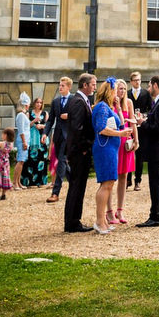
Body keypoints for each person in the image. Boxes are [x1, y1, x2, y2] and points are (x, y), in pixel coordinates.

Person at [92, 79, 132, 234]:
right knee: (106, 184)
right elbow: (101, 129)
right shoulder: (102, 107)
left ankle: (102, 221)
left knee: (109, 183)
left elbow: (120, 125)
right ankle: (99, 221)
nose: (117, 94)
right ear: (109, 91)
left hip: (110, 148)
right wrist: (120, 134)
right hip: (105, 148)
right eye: (115, 90)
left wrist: (118, 110)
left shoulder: (108, 107)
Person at [135, 75, 159, 227]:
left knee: (156, 184)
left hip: (157, 150)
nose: (148, 89)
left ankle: (156, 216)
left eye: (149, 86)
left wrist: (142, 123)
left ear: (155, 86)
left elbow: (157, 130)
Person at [64, 72, 97, 232]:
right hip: (79, 152)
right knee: (76, 186)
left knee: (78, 186)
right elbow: (77, 129)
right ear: (85, 85)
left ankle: (74, 220)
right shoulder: (78, 101)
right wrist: (85, 147)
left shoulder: (81, 100)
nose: (94, 87)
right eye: (93, 84)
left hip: (80, 151)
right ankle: (72, 222)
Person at [113, 78, 138, 225]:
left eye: (123, 88)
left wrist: (136, 140)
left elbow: (132, 122)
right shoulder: (111, 103)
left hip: (127, 142)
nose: (121, 91)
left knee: (124, 176)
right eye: (119, 88)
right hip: (115, 140)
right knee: (111, 178)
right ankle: (109, 210)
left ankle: (120, 209)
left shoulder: (128, 102)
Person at [44, 76, 73, 204]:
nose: (60, 87)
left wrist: (69, 116)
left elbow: (81, 116)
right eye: (59, 85)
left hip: (70, 137)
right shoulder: (55, 101)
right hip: (58, 136)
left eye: (62, 85)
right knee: (63, 163)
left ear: (69, 87)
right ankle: (75, 184)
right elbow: (50, 120)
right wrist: (45, 133)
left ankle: (55, 192)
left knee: (61, 160)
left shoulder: (74, 100)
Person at [127, 72, 152, 191]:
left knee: (140, 155)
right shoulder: (127, 94)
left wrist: (144, 116)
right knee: (127, 152)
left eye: (139, 80)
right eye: (135, 80)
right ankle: (127, 180)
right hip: (129, 127)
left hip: (141, 127)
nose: (138, 82)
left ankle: (138, 180)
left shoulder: (146, 93)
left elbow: (150, 109)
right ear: (131, 81)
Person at [12, 95, 31, 190]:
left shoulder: (23, 115)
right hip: (23, 141)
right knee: (20, 161)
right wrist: (24, 142)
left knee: (22, 162)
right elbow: (21, 130)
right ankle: (15, 182)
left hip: (25, 140)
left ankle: (18, 182)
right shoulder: (20, 115)